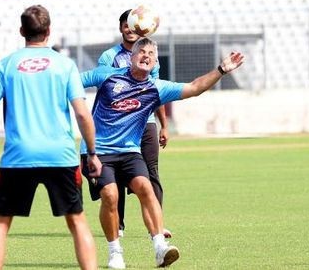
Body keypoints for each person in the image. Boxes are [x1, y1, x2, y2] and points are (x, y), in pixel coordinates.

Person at [80, 37, 244, 269]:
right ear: (132, 56)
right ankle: (115, 252)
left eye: (151, 54)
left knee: (146, 188)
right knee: (110, 195)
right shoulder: (107, 75)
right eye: (142, 51)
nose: (146, 56)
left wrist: (221, 70)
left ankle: (159, 248)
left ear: (155, 61)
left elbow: (195, 87)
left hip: (129, 152)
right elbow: (71, 82)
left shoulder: (156, 88)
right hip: (98, 151)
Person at [0, 5, 103, 270]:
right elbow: (83, 115)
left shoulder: (7, 65)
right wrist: (92, 154)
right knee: (77, 220)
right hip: (60, 155)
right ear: (49, 31)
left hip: (18, 156)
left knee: (1, 223)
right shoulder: (65, 65)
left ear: (21, 31)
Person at [97, 9, 170, 238]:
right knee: (116, 174)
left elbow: (157, 92)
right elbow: (105, 91)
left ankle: (156, 226)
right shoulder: (109, 57)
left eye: (134, 25)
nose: (130, 29)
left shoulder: (150, 57)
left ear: (143, 28)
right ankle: (117, 225)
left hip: (146, 122)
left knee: (151, 173)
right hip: (118, 124)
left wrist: (163, 125)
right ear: (121, 28)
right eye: (126, 25)